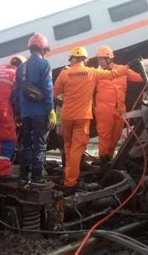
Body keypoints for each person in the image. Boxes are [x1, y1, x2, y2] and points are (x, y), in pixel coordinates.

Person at [53, 46, 130, 195]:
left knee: (68, 146)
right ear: (85, 60)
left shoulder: (64, 73)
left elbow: (54, 93)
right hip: (82, 117)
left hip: (67, 116)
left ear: (71, 59)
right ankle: (70, 183)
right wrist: (129, 66)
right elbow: (114, 73)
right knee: (77, 148)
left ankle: (69, 173)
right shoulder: (91, 72)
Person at [13, 33, 55, 188]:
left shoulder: (21, 67)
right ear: (43, 48)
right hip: (39, 113)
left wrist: (18, 113)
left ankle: (23, 177)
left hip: (25, 113)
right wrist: (50, 110)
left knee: (26, 145)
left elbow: (16, 92)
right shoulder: (44, 64)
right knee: (39, 145)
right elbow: (48, 88)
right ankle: (37, 178)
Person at [94, 45, 143, 169]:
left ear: (109, 59)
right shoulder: (95, 73)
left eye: (101, 59)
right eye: (98, 59)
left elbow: (140, 78)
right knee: (105, 136)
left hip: (120, 109)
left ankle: (109, 158)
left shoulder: (123, 70)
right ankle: (104, 161)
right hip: (104, 109)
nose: (99, 62)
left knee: (115, 137)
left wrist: (143, 66)